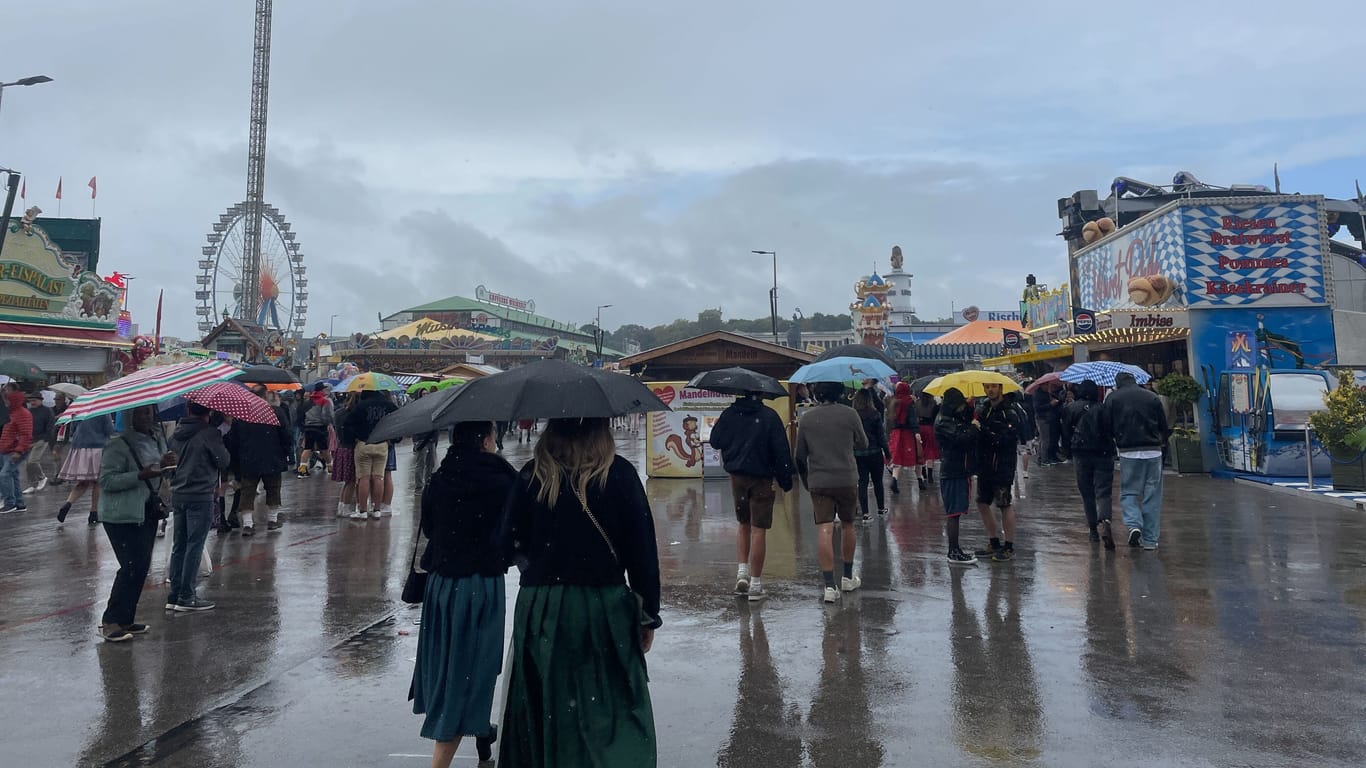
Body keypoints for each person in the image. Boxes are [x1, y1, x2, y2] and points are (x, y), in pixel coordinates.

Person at [498, 417, 661, 767]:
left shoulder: (531, 476)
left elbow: (505, 547)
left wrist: (539, 556)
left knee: (550, 703)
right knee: (611, 704)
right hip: (603, 604)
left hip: (541, 606)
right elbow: (643, 553)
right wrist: (648, 615)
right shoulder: (619, 475)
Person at [410, 421, 516, 767]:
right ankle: (443, 756)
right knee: (471, 670)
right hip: (480, 585)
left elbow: (429, 528)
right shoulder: (501, 481)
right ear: (485, 441)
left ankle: (481, 727)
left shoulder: (439, 480)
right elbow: (517, 529)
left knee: (449, 665)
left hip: (441, 586)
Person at [96, 405, 175, 642]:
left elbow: (163, 473)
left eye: (150, 412)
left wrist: (169, 464)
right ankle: (110, 621)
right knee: (130, 566)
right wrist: (140, 475)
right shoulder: (117, 445)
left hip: (146, 511)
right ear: (130, 417)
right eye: (141, 413)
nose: (147, 417)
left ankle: (126, 618)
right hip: (120, 515)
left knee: (141, 566)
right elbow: (107, 481)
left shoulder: (157, 439)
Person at [709, 392, 796, 601]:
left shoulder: (729, 414)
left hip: (737, 478)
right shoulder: (769, 416)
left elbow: (715, 441)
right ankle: (755, 584)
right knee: (759, 530)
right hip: (763, 479)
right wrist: (786, 479)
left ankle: (741, 572)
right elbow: (781, 451)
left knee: (743, 524)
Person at [795, 381, 869, 603]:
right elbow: (863, 443)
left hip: (819, 480)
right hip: (846, 478)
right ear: (840, 393)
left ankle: (829, 586)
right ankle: (847, 577)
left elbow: (799, 455)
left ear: (817, 394)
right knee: (848, 525)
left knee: (824, 530)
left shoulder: (807, 418)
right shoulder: (850, 414)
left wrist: (807, 480)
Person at [166, 403, 231, 611]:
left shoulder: (175, 434)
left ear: (188, 410)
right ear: (209, 412)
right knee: (195, 544)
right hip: (200, 493)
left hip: (178, 493)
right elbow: (223, 460)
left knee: (180, 545)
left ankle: (174, 594)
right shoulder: (209, 433)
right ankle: (187, 595)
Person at [1104, 372, 1170, 550]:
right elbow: (1164, 424)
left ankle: (1134, 524)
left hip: (1128, 451)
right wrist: (1163, 441)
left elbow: (1106, 426)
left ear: (1118, 384)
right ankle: (1150, 540)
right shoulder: (1152, 396)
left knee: (1129, 492)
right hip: (1153, 451)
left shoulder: (1113, 398)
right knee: (1152, 495)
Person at [225, 384, 292, 536]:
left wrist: (237, 461)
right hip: (272, 458)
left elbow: (233, 441)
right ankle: (272, 520)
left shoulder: (242, 414)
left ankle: (248, 524)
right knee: (273, 489)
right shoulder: (274, 412)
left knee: (247, 492)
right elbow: (286, 435)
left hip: (249, 459)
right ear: (264, 396)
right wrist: (285, 453)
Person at [974, 382, 1029, 563]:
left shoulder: (1010, 411)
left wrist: (983, 430)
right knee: (982, 502)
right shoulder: (984, 409)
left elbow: (1006, 439)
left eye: (994, 387)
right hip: (985, 464)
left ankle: (1009, 545)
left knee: (1004, 503)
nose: (990, 390)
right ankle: (994, 542)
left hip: (1003, 464)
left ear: (1001, 388)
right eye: (987, 387)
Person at [1061, 379, 1116, 549]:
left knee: (1087, 493)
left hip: (1081, 453)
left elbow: (1065, 432)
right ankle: (1105, 520)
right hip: (1103, 453)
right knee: (1103, 491)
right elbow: (1111, 430)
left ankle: (1093, 530)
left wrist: (1068, 452)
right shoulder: (1103, 408)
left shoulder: (1071, 408)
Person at [934, 388, 979, 564]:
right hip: (952, 470)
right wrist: (973, 428)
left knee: (956, 512)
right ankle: (953, 551)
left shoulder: (949, 417)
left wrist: (969, 406)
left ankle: (955, 549)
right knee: (954, 513)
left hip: (957, 469)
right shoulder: (944, 422)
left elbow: (963, 422)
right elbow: (961, 437)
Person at [57, 413, 116, 525]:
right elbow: (109, 430)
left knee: (83, 482)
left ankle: (68, 503)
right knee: (97, 483)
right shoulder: (103, 411)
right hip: (97, 448)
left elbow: (73, 429)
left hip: (79, 447)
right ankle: (94, 513)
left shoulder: (80, 411)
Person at [346, 390, 397, 518]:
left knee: (363, 478)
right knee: (379, 477)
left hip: (364, 443)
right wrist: (393, 439)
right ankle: (377, 510)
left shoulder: (361, 406)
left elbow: (348, 424)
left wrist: (354, 438)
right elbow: (399, 421)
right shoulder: (389, 406)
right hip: (382, 444)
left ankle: (363, 511)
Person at [851, 389, 890, 521]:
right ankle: (880, 508)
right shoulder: (874, 414)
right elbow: (881, 435)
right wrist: (887, 452)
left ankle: (866, 513)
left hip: (858, 453)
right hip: (874, 452)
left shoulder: (853, 415)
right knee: (878, 481)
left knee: (862, 482)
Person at [0, 387, 34, 514]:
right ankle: (19, 503)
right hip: (6, 449)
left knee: (4, 475)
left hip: (14, 450)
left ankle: (10, 502)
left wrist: (19, 451)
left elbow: (26, 434)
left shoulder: (22, 413)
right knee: (12, 476)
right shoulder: (9, 413)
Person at [885, 381, 920, 493]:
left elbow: (888, 420)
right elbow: (912, 418)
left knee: (897, 457)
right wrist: (916, 432)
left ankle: (894, 479)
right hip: (907, 433)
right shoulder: (908, 402)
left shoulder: (892, 402)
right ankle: (920, 480)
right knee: (915, 455)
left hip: (895, 432)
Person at [332, 392, 361, 518]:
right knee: (352, 480)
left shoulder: (339, 412)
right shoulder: (355, 414)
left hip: (341, 447)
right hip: (351, 448)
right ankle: (346, 508)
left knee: (347, 481)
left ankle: (342, 506)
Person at [297, 383, 334, 478]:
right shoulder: (324, 401)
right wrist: (328, 423)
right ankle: (331, 468)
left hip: (308, 427)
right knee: (324, 449)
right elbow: (326, 416)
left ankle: (302, 470)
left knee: (308, 448)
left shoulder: (308, 401)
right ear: (321, 390)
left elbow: (302, 415)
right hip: (320, 427)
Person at [23, 392, 56, 493]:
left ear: (41, 400)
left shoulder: (47, 411)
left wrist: (46, 438)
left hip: (42, 439)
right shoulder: (29, 411)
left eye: (34, 400)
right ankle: (33, 484)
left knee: (33, 461)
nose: (32, 402)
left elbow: (50, 426)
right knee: (28, 464)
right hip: (30, 439)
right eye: (31, 400)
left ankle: (41, 478)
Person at [1032, 380, 1063, 465]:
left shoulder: (1047, 393)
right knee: (1045, 439)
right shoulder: (1038, 394)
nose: (1047, 386)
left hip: (1049, 418)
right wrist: (1050, 404)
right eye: (1046, 385)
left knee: (1047, 439)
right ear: (1041, 385)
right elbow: (1038, 408)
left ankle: (1045, 457)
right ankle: (1043, 459)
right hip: (1042, 419)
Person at [914, 390, 940, 486]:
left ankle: (923, 471)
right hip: (930, 428)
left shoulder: (917, 403)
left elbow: (915, 417)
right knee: (930, 451)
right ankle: (930, 475)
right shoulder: (933, 403)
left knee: (921, 451)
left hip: (920, 428)